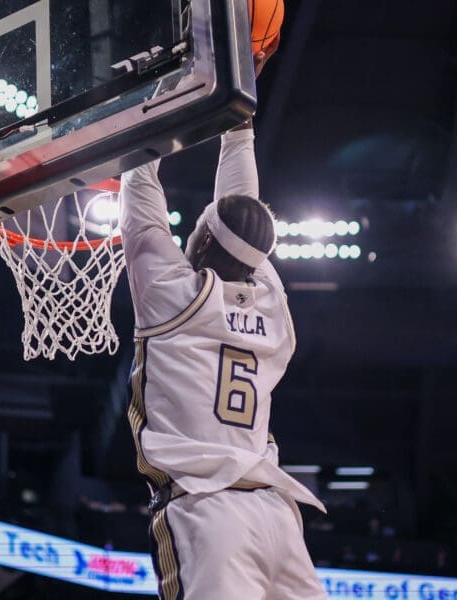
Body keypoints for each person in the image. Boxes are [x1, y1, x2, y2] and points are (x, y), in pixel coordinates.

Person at [119, 50, 327, 600]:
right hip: (278, 516)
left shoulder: (172, 297)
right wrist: (239, 119)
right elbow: (243, 209)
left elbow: (139, 190)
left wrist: (152, 94)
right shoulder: (271, 305)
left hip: (207, 509)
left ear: (203, 240)